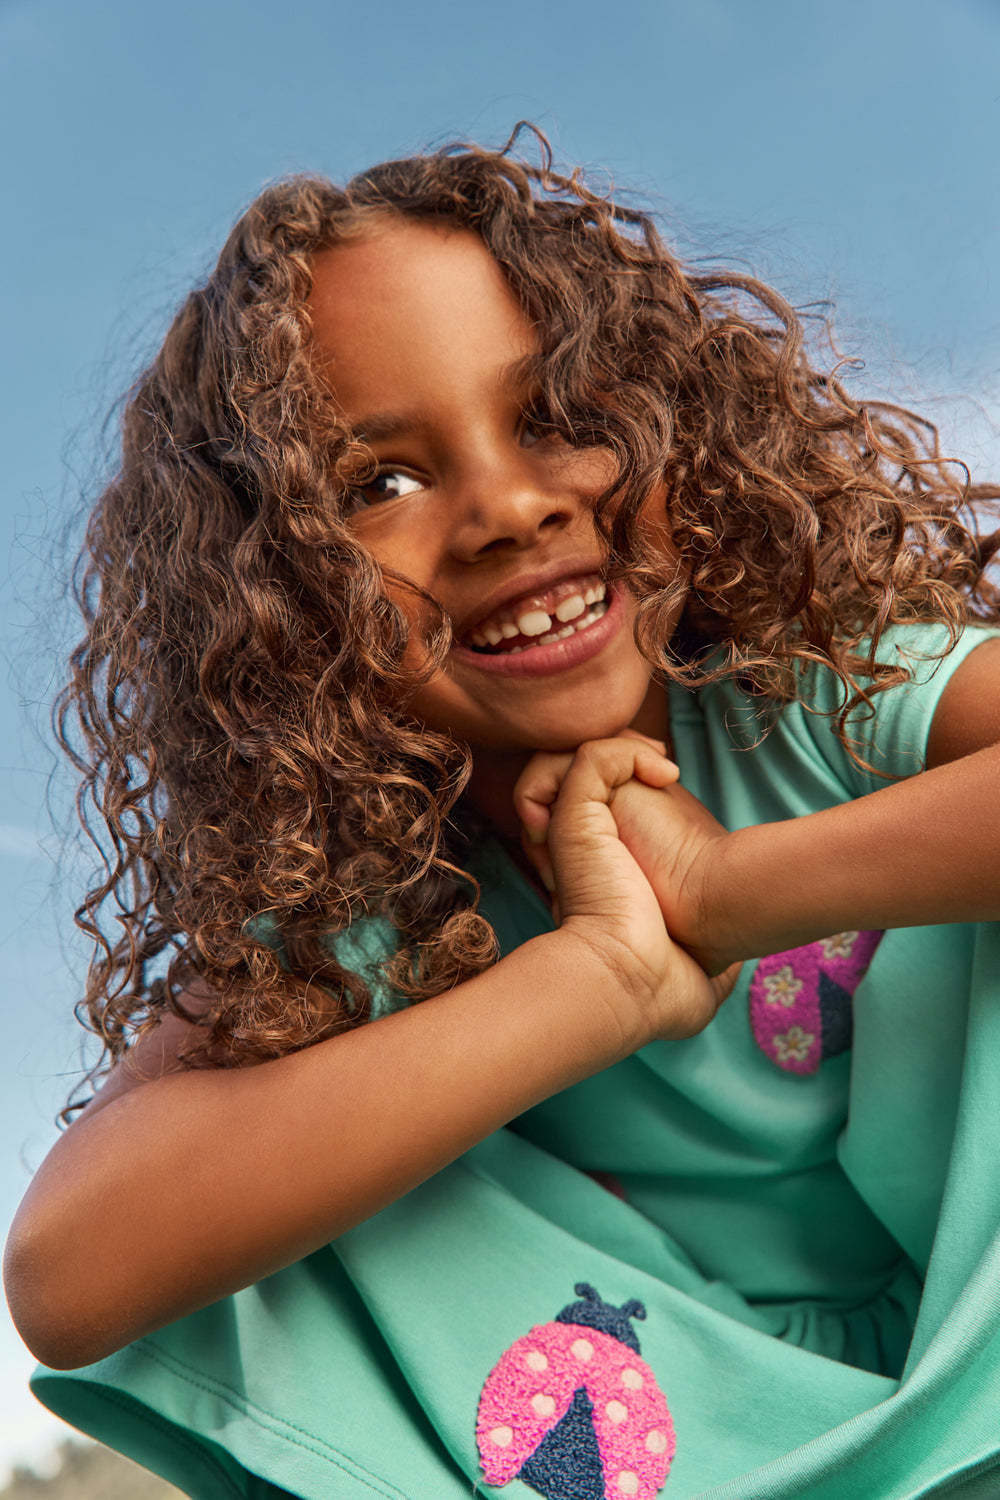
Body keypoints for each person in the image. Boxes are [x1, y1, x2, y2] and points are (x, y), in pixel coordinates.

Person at [5, 131, 1000, 1500]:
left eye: (553, 414)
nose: (506, 509)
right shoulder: (369, 896)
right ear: (273, 593)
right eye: (380, 485)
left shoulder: (820, 689)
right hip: (693, 1441)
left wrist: (726, 890)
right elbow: (70, 1274)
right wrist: (594, 977)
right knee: (281, 1152)